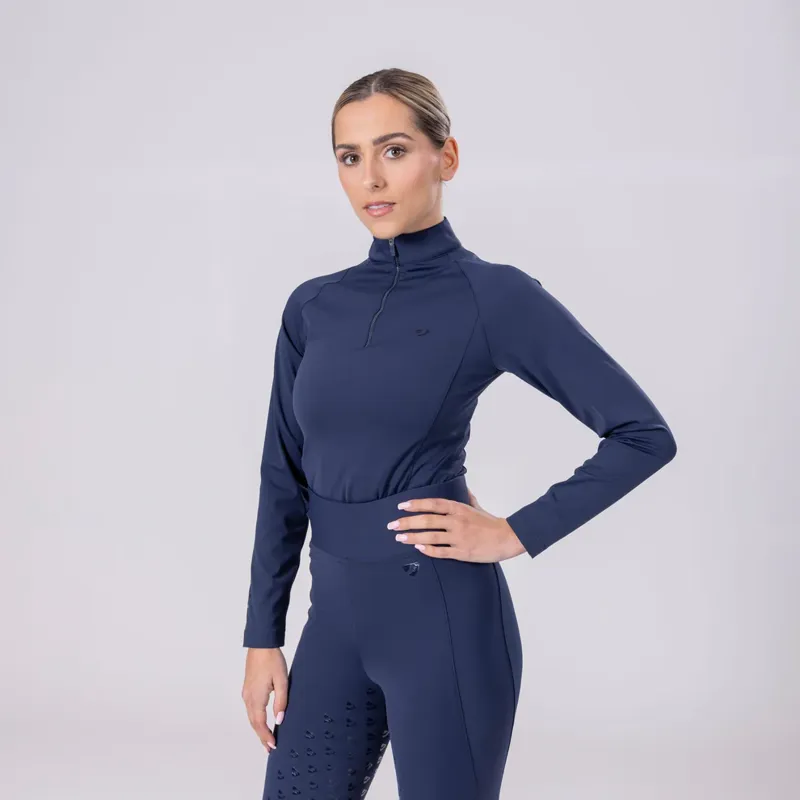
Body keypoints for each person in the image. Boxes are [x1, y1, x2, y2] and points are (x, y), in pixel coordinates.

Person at [240, 67, 677, 800]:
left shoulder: (492, 296)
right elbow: (283, 477)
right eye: (350, 157)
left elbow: (643, 434)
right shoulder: (312, 307)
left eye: (394, 150)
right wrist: (262, 637)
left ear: (446, 157)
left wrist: (515, 532)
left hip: (443, 623)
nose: (372, 178)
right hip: (333, 625)